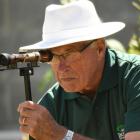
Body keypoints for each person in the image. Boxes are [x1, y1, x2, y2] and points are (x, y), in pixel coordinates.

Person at [17, 0, 140, 140]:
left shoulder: (135, 76)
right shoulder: (51, 104)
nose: (61, 68)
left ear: (99, 48)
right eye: (53, 57)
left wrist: (60, 135)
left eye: (69, 54)